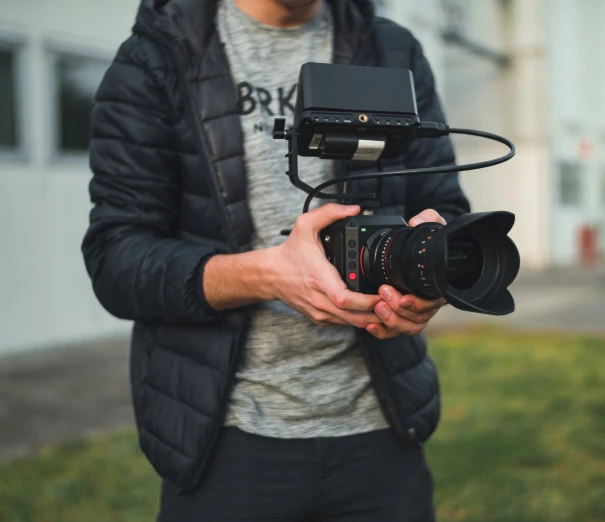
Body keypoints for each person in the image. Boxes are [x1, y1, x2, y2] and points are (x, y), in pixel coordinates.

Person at [82, 0, 470, 519]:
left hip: (382, 434)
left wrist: (430, 279)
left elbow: (441, 207)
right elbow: (116, 260)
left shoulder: (390, 50)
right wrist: (268, 275)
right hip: (228, 442)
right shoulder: (157, 57)